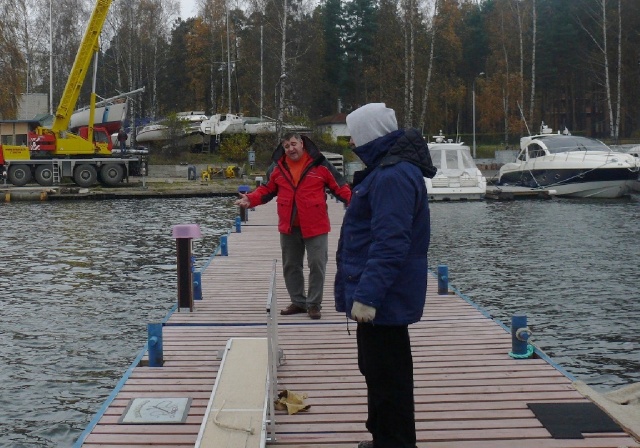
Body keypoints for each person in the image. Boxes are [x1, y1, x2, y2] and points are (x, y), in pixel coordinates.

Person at [334, 103, 437, 448]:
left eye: (354, 134)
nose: (351, 142)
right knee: (377, 372)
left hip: (383, 299)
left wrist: (367, 297)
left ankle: (395, 443)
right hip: (381, 297)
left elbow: (391, 243)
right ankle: (384, 439)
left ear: (370, 134)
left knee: (389, 378)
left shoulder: (392, 175)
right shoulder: (385, 171)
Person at [236, 132, 351, 320]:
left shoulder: (320, 163)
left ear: (302, 143)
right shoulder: (277, 167)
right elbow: (266, 189)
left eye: (293, 144)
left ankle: (314, 304)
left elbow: (339, 186)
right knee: (291, 265)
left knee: (317, 264)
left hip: (315, 224)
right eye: (286, 146)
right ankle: (298, 302)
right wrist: (251, 199)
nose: (290, 149)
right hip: (289, 225)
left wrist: (356, 202)